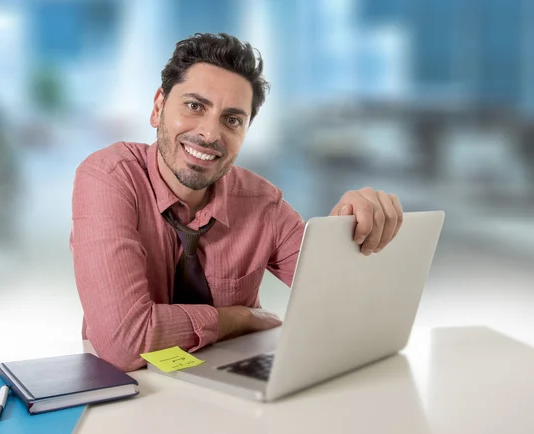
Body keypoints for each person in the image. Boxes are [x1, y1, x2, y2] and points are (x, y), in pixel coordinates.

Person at [70, 33, 404, 372]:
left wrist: (351, 227)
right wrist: (236, 318)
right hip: (129, 393)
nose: (210, 134)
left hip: (232, 394)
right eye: (194, 106)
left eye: (232, 119)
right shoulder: (108, 177)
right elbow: (124, 342)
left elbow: (342, 294)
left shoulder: (262, 203)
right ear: (158, 108)